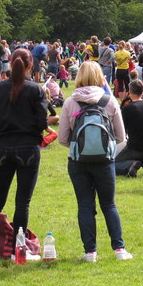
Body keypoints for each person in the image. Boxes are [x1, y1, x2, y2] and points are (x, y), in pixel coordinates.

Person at [57, 61, 132, 262]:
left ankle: (90, 252)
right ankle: (119, 249)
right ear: (100, 77)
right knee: (109, 205)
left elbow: (62, 138)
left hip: (77, 160)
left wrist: (79, 146)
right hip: (104, 161)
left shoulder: (70, 102)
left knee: (84, 205)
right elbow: (121, 136)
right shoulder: (109, 101)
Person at [0, 48, 48, 261]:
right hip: (27, 149)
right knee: (22, 202)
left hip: (1, 148)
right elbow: (42, 122)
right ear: (30, 65)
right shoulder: (35, 90)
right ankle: (18, 248)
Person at [114, 80, 143, 177]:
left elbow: (121, 131)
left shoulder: (127, 108)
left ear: (130, 91)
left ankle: (130, 165)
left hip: (134, 147)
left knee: (112, 165)